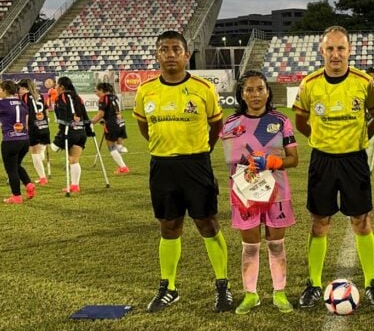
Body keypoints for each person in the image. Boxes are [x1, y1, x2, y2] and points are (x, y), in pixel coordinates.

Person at [133, 30, 233, 313]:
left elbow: (216, 126)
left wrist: (202, 150)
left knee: (207, 223)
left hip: (196, 163)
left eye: (176, 49)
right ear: (157, 55)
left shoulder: (203, 88)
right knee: (169, 226)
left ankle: (223, 286)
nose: (170, 54)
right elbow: (144, 127)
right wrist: (162, 145)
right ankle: (169, 287)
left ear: (186, 54)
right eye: (164, 49)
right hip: (162, 165)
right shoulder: (146, 91)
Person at [293, 25, 374, 308]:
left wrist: (361, 138)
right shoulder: (310, 84)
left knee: (361, 220)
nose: (335, 54)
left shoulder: (364, 81)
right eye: (330, 48)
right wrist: (320, 139)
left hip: (354, 160)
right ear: (322, 51)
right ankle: (314, 283)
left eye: (340, 48)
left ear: (349, 50)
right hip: (322, 160)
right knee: (320, 222)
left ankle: (371, 282)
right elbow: (300, 120)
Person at [220, 70, 298, 315]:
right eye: (249, 90)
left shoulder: (280, 120)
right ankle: (251, 294)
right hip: (245, 193)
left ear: (268, 91)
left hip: (277, 191)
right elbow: (230, 163)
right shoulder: (231, 124)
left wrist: (271, 162)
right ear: (241, 94)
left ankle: (279, 292)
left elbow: (293, 159)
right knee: (250, 245)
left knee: (276, 244)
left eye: (260, 89)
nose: (255, 94)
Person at [50, 76, 93, 193]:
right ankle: (75, 185)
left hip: (70, 132)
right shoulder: (77, 97)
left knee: (53, 148)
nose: (56, 87)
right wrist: (89, 130)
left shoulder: (60, 98)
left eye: (57, 85)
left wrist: (61, 134)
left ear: (62, 87)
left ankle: (74, 185)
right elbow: (85, 115)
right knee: (74, 159)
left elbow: (63, 118)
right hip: (81, 132)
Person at [0, 80, 34, 204]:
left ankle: (16, 196)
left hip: (10, 140)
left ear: (5, 90)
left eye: (0, 89)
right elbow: (26, 121)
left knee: (11, 170)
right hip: (24, 140)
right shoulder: (21, 102)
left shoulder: (2, 103)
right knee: (16, 166)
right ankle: (29, 184)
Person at [91, 82, 129, 174]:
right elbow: (111, 111)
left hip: (112, 124)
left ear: (101, 90)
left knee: (111, 147)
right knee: (117, 144)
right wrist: (104, 120)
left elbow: (101, 114)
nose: (96, 93)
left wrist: (91, 122)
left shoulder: (103, 98)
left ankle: (123, 167)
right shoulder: (114, 97)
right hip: (120, 122)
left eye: (97, 91)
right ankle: (121, 149)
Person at [18, 79, 50, 185]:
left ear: (24, 88)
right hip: (44, 126)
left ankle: (42, 178)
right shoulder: (40, 95)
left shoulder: (24, 97)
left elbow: (25, 113)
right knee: (37, 151)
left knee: (34, 153)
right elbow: (46, 111)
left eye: (20, 89)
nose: (19, 91)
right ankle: (41, 156)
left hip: (33, 127)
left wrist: (24, 127)